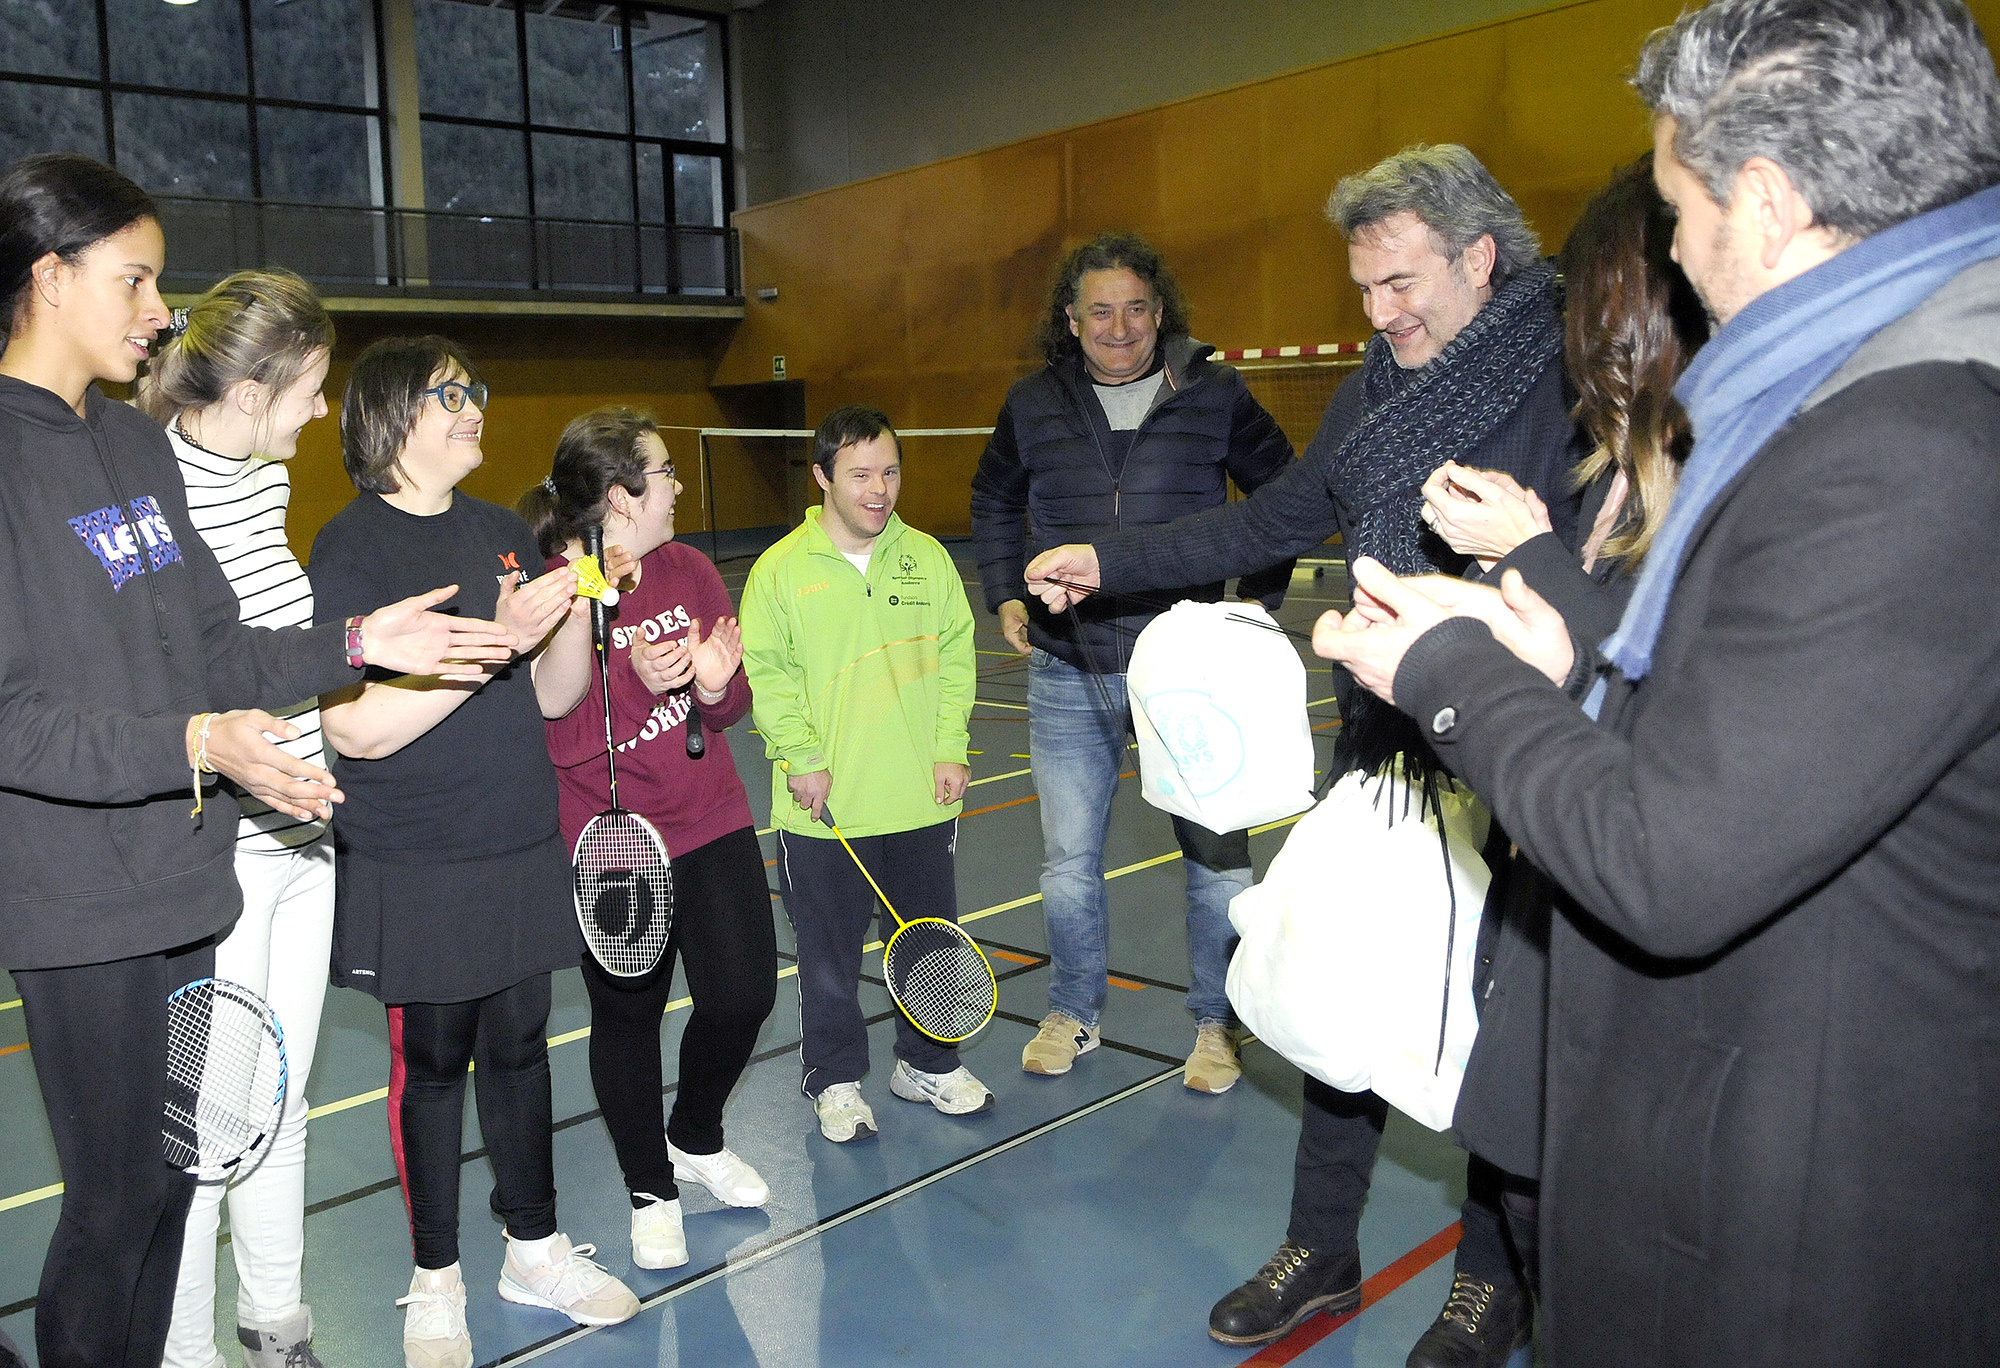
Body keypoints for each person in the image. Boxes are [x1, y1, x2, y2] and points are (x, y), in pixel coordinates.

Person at [1309, 3, 2000, 1363]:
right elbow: (1772, 723)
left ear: (1770, 197)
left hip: (1795, 1208)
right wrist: (1563, 652)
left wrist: (1445, 667)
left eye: (1682, 206)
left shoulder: (1909, 440)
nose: (1674, 250)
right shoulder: (1845, 395)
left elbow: (1668, 857)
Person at [1026, 144, 1582, 1353]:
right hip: (1382, 746)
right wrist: (1107, 560)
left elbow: (1589, 591)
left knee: (1494, 1033)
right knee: (1338, 1002)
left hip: (1512, 755)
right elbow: (1277, 516)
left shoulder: (1567, 381)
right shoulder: (1378, 388)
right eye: (1364, 292)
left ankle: (1487, 1282)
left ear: (1479, 260)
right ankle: (1321, 1247)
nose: (1379, 318)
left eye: (1399, 286)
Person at [0, 154, 515, 1368]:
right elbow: (12, 716)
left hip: (189, 876)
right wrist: (190, 741)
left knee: (176, 1187)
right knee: (114, 1199)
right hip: (76, 895)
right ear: (47, 276)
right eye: (132, 281)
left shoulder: (130, 452)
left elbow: (216, 646)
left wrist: (354, 641)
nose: (154, 314)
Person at [1400, 154, 1706, 1368]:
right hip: (1554, 846)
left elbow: (1655, 688)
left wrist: (1521, 563)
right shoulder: (1625, 465)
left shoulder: (1721, 470)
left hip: (1609, 868)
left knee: (1586, 1216)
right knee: (1526, 1170)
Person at [309, 337, 639, 1368]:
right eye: (450, 393)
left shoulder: (503, 531)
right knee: (436, 1064)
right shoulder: (349, 547)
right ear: (390, 412)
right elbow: (355, 731)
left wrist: (571, 608)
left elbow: (550, 695)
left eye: (474, 390)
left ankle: (532, 1248)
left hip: (514, 835)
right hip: (418, 852)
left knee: (520, 1048)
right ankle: (434, 1275)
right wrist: (491, 644)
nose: (472, 407)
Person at [969, 231, 1296, 1093]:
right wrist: (1004, 590)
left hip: (1188, 676)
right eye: (1101, 311)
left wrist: (1252, 604)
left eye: (1137, 308)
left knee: (1216, 862)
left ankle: (1217, 1026)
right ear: (1071, 322)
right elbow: (994, 495)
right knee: (1067, 862)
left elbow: (1287, 494)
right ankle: (1075, 1009)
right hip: (1066, 667)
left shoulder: (1216, 393)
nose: (1121, 327)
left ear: (1161, 313)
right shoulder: (1032, 402)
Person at [138, 269, 344, 1368]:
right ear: (258, 387)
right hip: (225, 856)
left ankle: (278, 1326)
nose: (322, 411)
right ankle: (183, 1353)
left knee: (282, 1100)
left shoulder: (260, 485)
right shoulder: (155, 493)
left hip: (307, 846)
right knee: (208, 1126)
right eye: (310, 387)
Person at [517, 407, 776, 1272]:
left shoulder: (691, 569)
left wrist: (710, 686)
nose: (675, 485)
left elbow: (728, 709)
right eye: (661, 472)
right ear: (620, 497)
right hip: (613, 839)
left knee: (743, 996)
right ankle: (648, 1188)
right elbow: (560, 734)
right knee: (626, 1018)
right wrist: (630, 673)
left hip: (711, 816)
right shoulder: (557, 589)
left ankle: (695, 1136)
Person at [740, 404, 987, 1143]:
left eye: (889, 472)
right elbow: (770, 675)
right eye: (860, 475)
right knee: (828, 958)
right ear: (821, 478)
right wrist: (802, 758)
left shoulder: (927, 558)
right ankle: (836, 1080)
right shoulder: (780, 571)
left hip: (919, 798)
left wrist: (951, 746)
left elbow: (955, 655)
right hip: (826, 809)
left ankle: (928, 1065)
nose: (879, 490)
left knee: (932, 941)